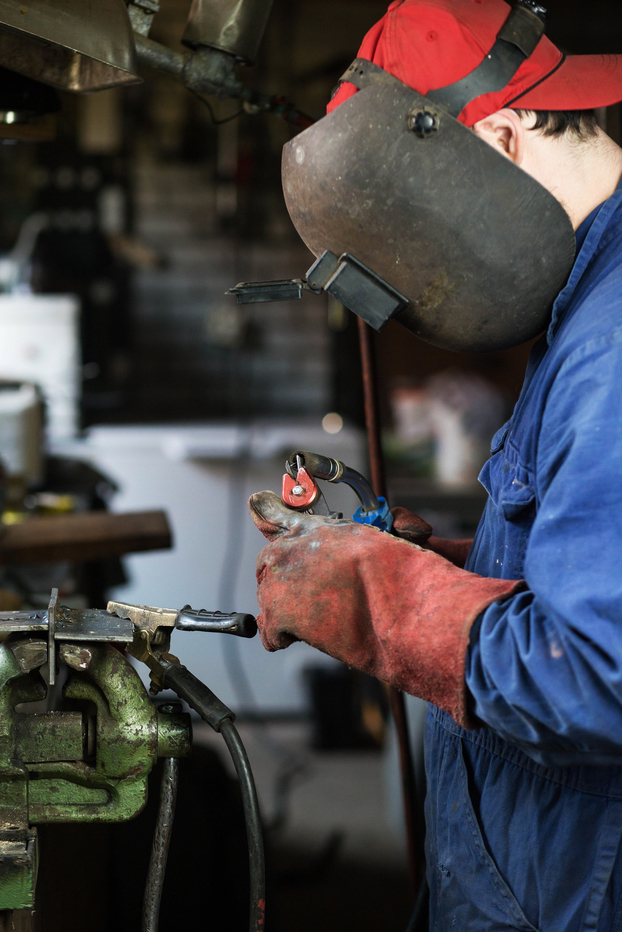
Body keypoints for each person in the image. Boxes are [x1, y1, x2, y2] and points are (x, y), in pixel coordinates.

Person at [249, 1, 622, 929]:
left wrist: (385, 600)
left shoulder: (614, 339)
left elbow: (598, 673)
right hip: (525, 863)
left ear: (500, 132)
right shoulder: (586, 301)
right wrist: (434, 566)